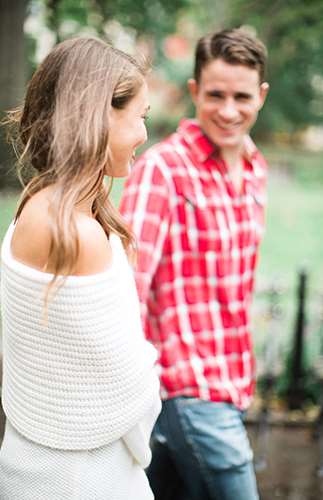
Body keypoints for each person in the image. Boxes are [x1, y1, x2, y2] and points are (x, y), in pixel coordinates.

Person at [0, 36, 161, 500]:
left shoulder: (39, 202)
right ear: (99, 114)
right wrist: (149, 372)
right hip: (79, 477)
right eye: (140, 118)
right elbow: (123, 383)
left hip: (39, 461)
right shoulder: (76, 232)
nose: (143, 136)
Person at [120, 28, 269, 500]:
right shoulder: (162, 170)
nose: (228, 110)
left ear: (261, 95)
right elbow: (127, 289)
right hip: (185, 390)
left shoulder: (253, 168)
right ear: (193, 92)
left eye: (241, 96)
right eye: (215, 95)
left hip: (231, 385)